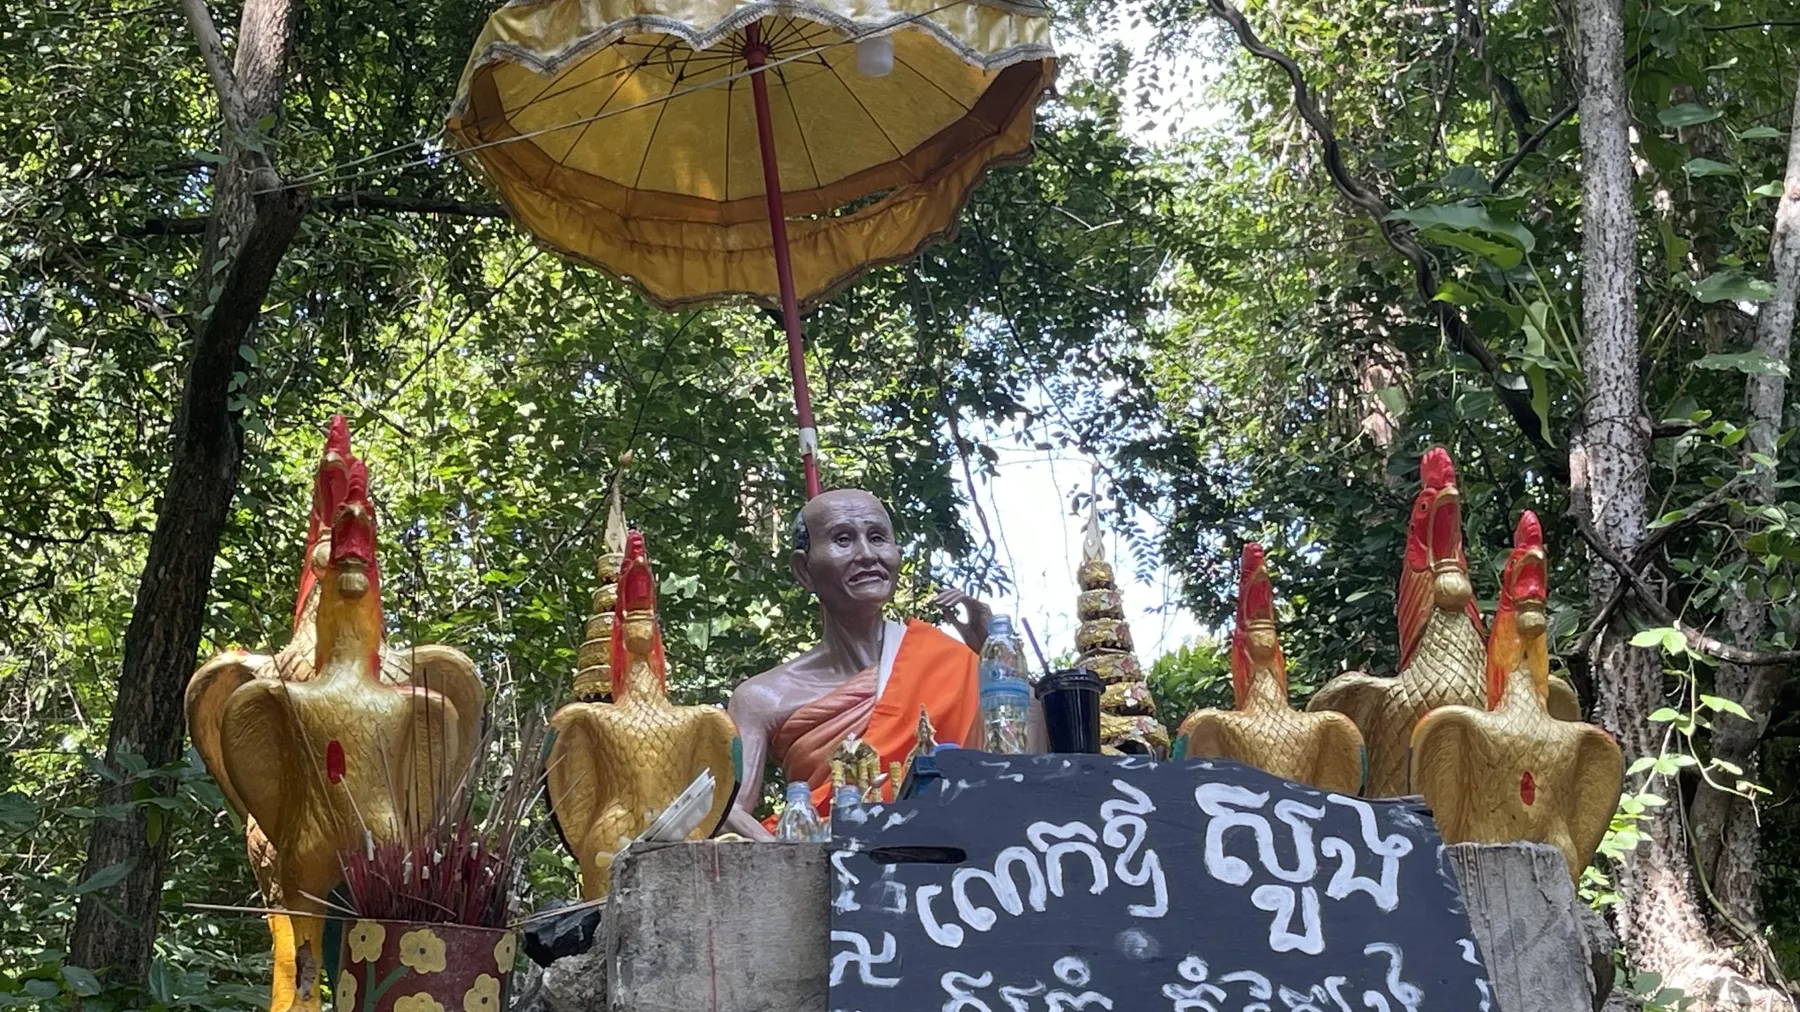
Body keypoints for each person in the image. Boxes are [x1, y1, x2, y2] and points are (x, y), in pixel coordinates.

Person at [724, 489, 1037, 839]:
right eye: (843, 539)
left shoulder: (945, 660)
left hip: (950, 860)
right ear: (804, 570)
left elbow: (1027, 774)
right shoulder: (763, 698)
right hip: (825, 867)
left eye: (878, 538)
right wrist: (788, 860)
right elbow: (726, 809)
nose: (867, 554)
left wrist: (998, 665)